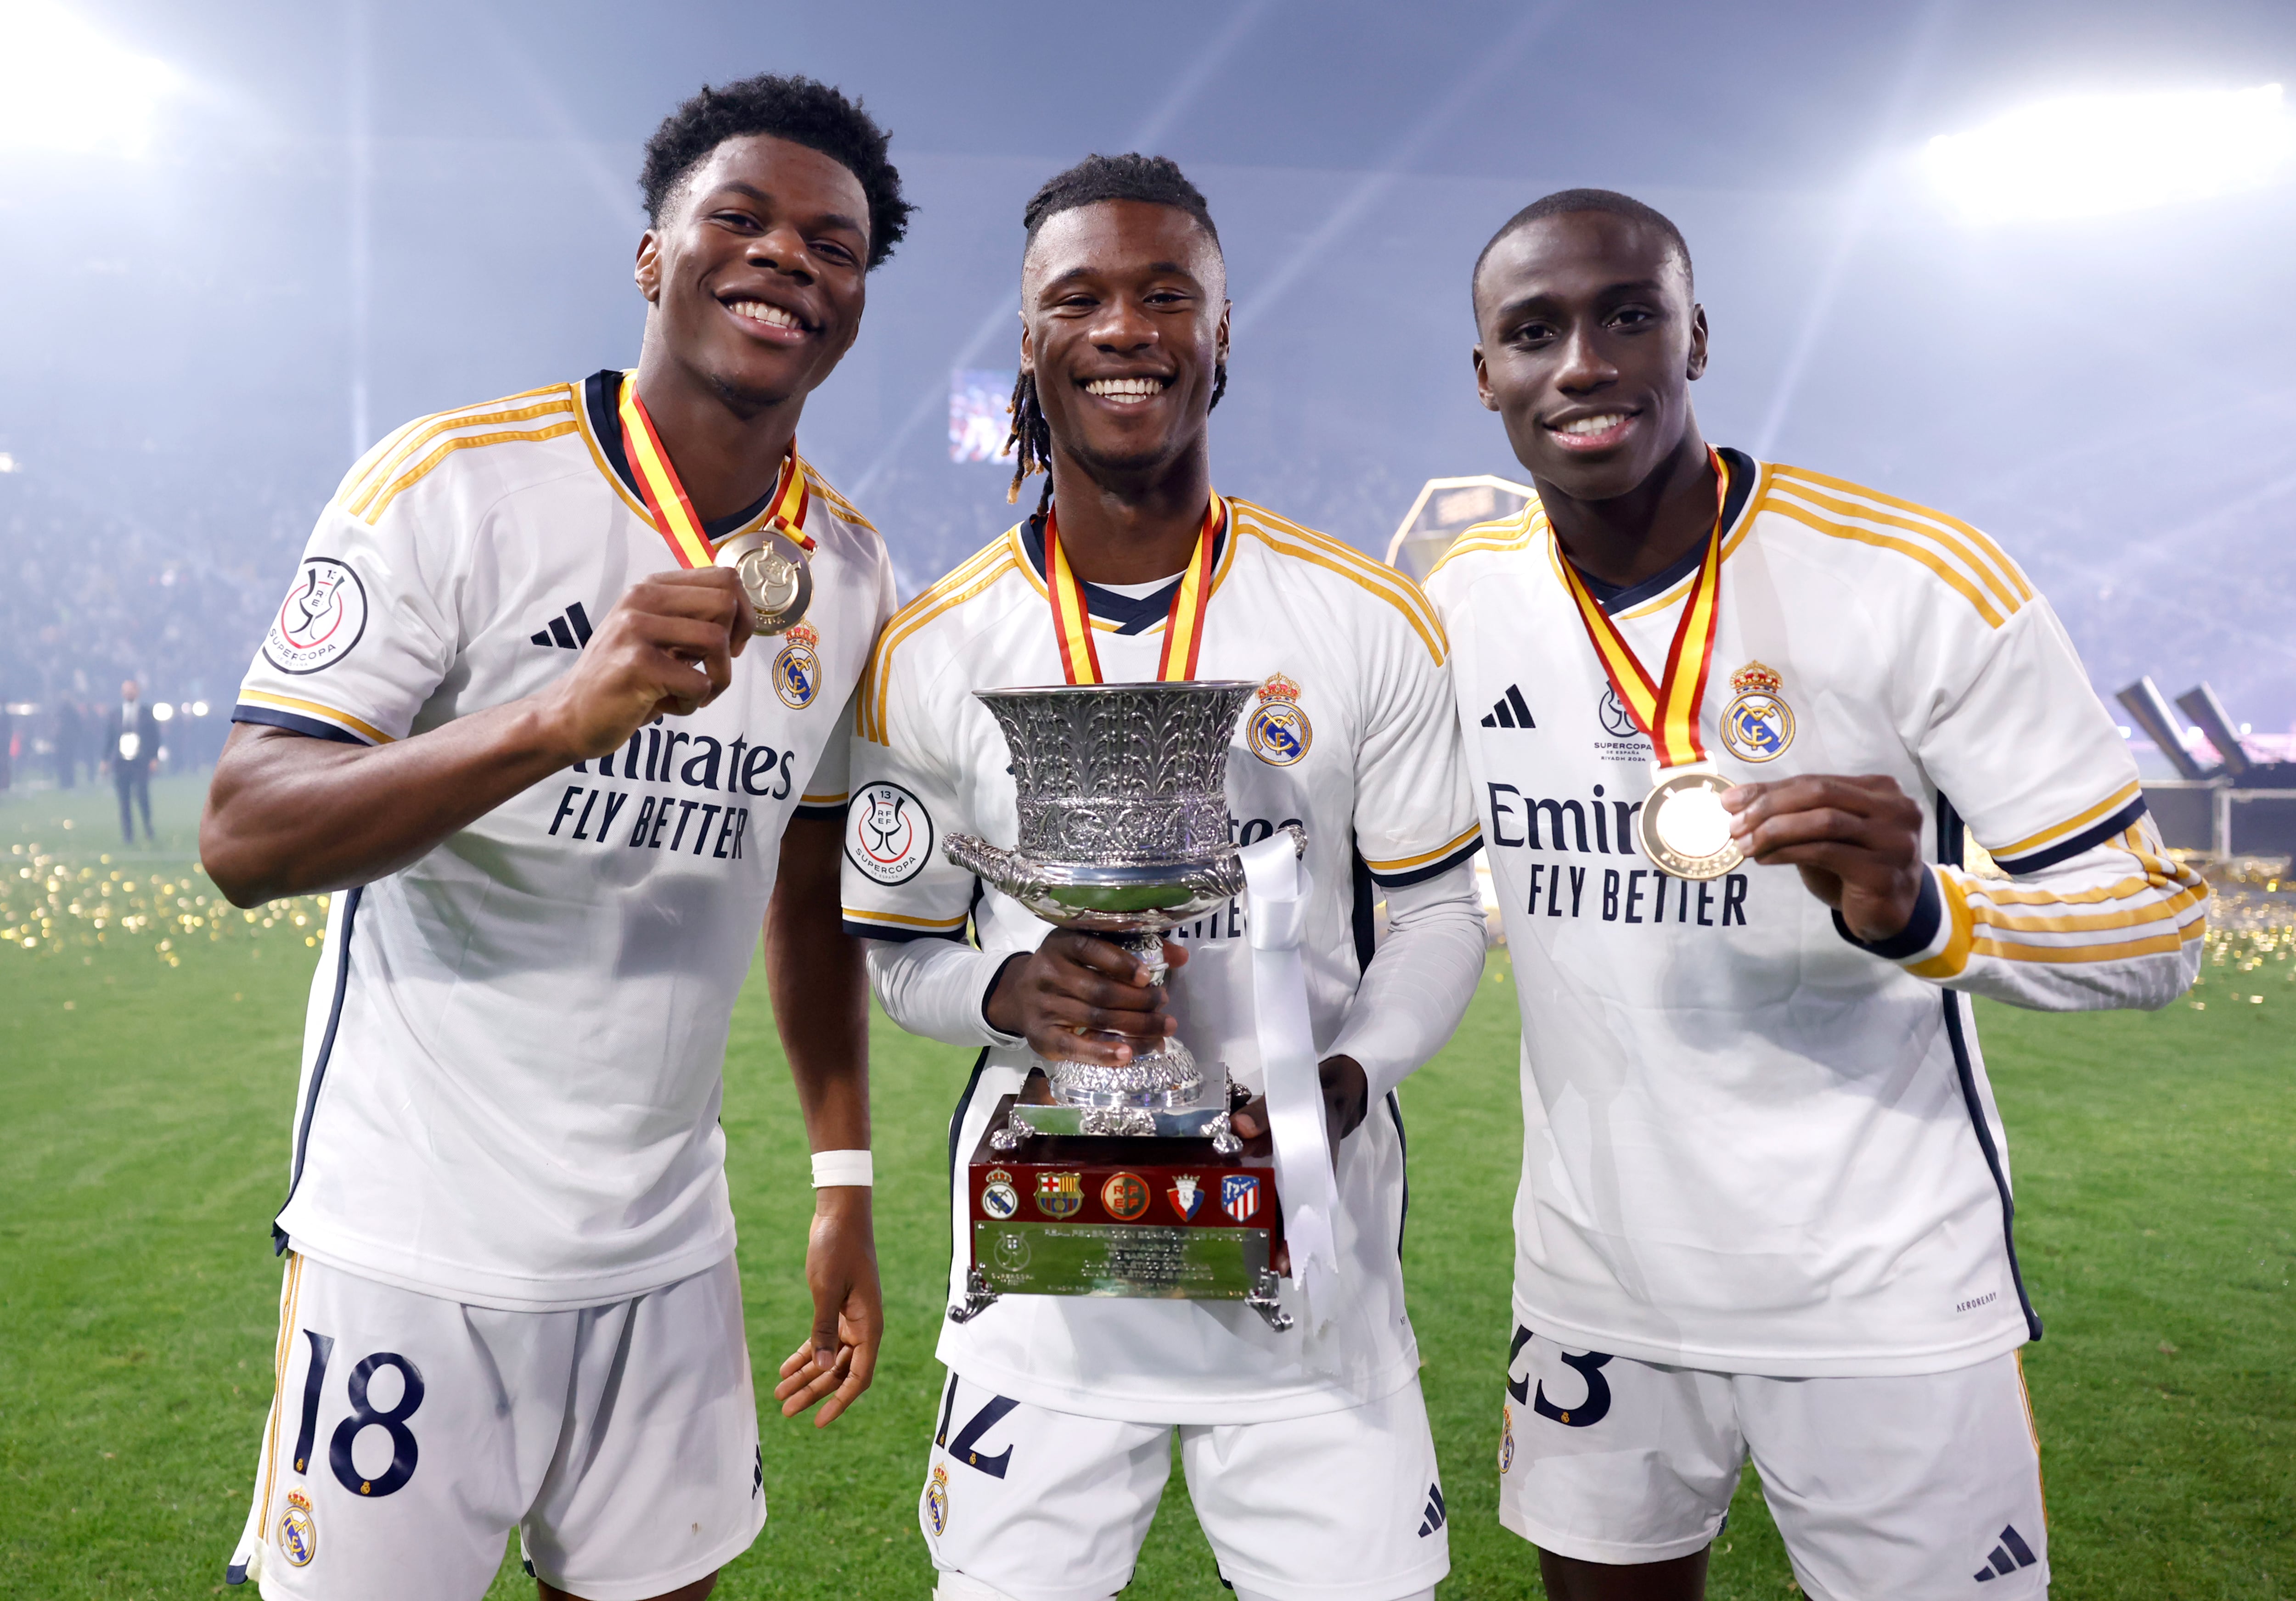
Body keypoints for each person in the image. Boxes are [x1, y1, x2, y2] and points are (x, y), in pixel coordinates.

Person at [1423, 189, 2208, 1601]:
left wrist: (1924, 910)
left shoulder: (1910, 578)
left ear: (1695, 336)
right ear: (1485, 376)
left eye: (1627, 315)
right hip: (1597, 1288)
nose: (1583, 363)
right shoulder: (1454, 602)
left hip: (1881, 1300)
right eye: (1532, 333)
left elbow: (2156, 927)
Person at [202, 73, 912, 1601]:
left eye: (834, 243)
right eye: (740, 218)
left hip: (668, 1255)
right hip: (411, 1243)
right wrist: (546, 722)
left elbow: (809, 874)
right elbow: (245, 829)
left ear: (857, 302)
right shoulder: (458, 483)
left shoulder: (848, 571)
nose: (789, 256)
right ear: (653, 257)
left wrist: (842, 1170)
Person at [840, 154, 1488, 1601]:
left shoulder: (1361, 617)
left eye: (1164, 295)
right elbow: (899, 956)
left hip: (1306, 1284)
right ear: (1030, 343)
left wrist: (1351, 1069)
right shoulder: (930, 651)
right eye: (1078, 298)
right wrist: (1010, 987)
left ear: (1219, 332)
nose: (1123, 327)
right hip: (1042, 1297)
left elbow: (1439, 910)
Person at [104, 679, 160, 843]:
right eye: (126, 690)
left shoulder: (146, 712)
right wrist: (105, 759)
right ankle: (128, 834)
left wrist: (154, 758)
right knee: (124, 800)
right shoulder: (116, 713)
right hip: (121, 762)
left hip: (140, 761)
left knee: (143, 796)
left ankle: (148, 828)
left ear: (137, 692)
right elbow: (110, 737)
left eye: (131, 690)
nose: (128, 693)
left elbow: (154, 736)